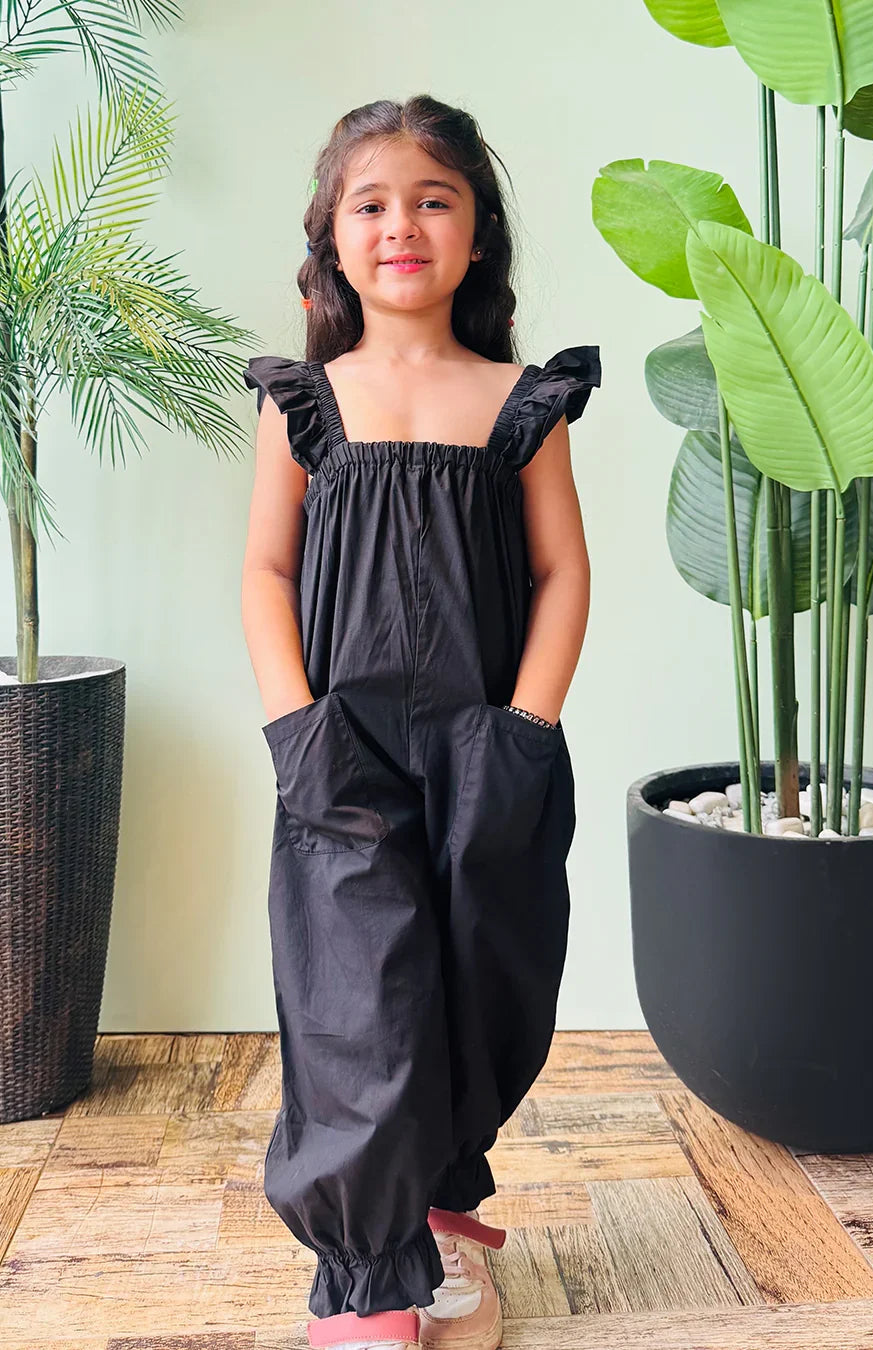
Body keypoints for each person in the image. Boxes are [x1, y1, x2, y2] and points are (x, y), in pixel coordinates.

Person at [239, 94, 600, 1350]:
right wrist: (296, 727)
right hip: (339, 753)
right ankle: (369, 1276)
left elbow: (562, 573)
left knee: (481, 973)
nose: (402, 225)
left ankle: (439, 1209)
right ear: (332, 241)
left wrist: (527, 726)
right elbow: (264, 573)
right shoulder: (305, 404)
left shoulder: (522, 404)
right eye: (372, 203)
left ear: (480, 235)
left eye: (434, 199)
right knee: (358, 991)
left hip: (486, 750)